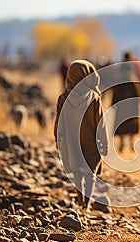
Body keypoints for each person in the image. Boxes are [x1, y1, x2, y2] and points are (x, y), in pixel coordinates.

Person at [54, 60, 108, 211]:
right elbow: (100, 122)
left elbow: (59, 122)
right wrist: (104, 141)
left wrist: (57, 139)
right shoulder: (93, 97)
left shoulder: (63, 98)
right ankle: (87, 203)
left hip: (71, 141)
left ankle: (79, 199)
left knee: (76, 171)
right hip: (91, 140)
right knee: (90, 173)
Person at [111, 51, 140, 152]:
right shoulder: (133, 78)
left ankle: (121, 143)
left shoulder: (119, 78)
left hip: (121, 105)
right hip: (132, 106)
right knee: (131, 125)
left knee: (121, 124)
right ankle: (131, 143)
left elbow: (115, 92)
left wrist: (114, 103)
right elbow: (138, 94)